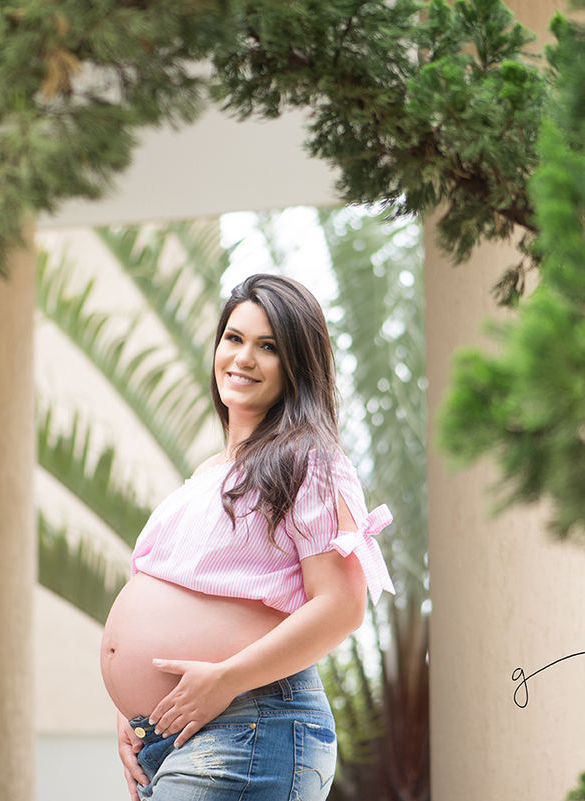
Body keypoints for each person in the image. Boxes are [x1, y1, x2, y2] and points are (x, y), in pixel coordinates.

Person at [99, 274, 395, 801]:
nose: (243, 358)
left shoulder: (311, 460)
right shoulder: (212, 472)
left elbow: (343, 606)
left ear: (298, 365)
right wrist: (131, 713)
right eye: (233, 339)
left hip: (251, 725)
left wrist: (226, 679)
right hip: (173, 734)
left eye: (269, 347)